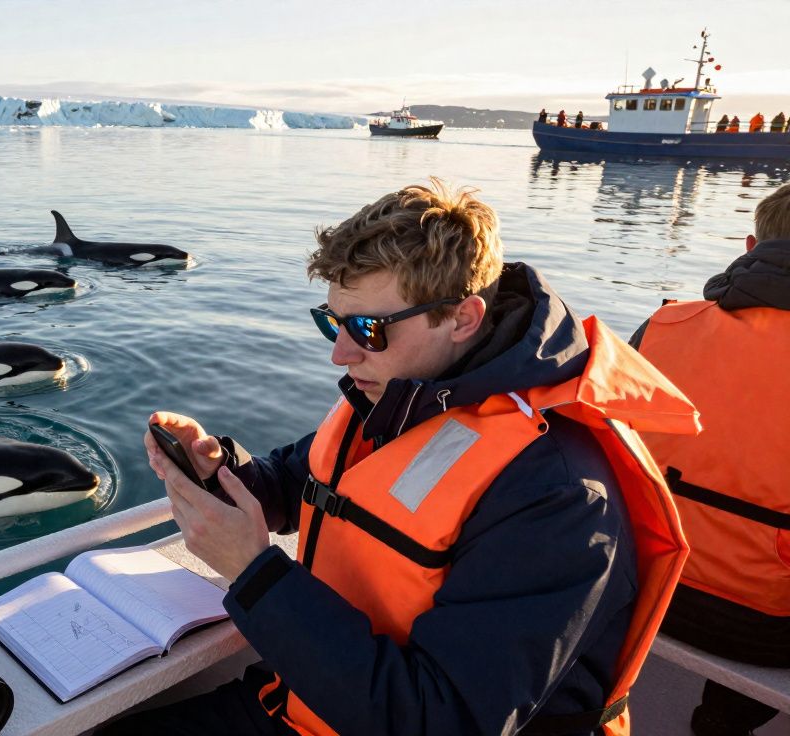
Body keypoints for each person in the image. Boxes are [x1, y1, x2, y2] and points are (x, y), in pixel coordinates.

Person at [99, 180, 698, 736]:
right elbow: (293, 480)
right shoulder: (402, 392)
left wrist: (254, 572)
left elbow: (444, 720)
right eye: (332, 322)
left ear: (462, 318)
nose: (340, 353)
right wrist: (220, 470)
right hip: (309, 700)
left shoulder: (559, 493)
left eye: (367, 328)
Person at [631, 182, 790, 736]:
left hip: (639, 585)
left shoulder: (663, 328)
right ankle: (722, 721)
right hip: (767, 630)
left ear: (751, 245)